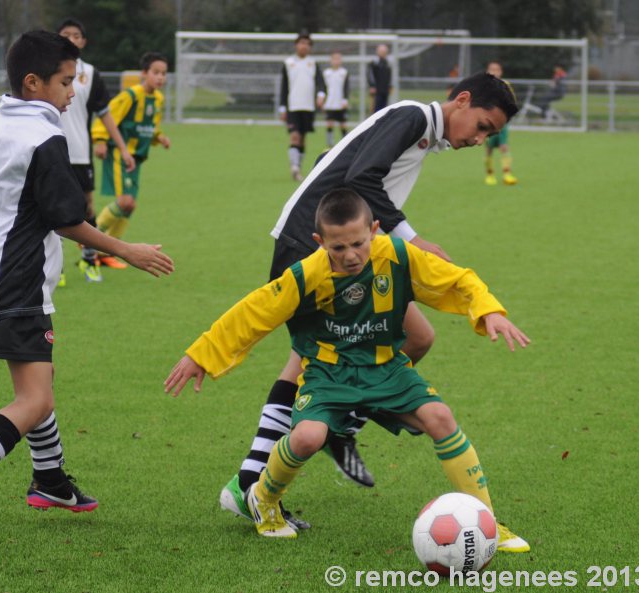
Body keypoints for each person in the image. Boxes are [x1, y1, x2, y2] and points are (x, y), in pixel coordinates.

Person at [212, 71, 519, 531]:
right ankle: (249, 483)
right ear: (462, 100)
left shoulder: (418, 131)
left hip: (347, 252)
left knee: (417, 337)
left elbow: (335, 161)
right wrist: (413, 238)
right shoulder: (414, 117)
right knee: (309, 359)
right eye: (482, 126)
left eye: (489, 135)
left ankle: (339, 424)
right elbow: (359, 176)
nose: (479, 139)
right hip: (314, 252)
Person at [0, 30, 174, 545]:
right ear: (33, 83)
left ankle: (50, 480)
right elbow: (68, 220)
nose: (72, 92)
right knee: (32, 399)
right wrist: (128, 251)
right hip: (14, 279)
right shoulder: (43, 135)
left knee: (39, 383)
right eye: (64, 81)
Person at [165, 188, 530, 551]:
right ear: (319, 241)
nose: (351, 255)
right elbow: (253, 312)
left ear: (374, 230)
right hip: (329, 374)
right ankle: (262, 498)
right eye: (337, 248)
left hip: (387, 368)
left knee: (440, 417)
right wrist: (203, 354)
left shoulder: (399, 255)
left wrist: (488, 310)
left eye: (358, 243)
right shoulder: (306, 275)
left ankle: (488, 523)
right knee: (308, 437)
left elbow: (455, 279)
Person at [57, 17, 131, 282]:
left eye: (76, 35)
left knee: (87, 207)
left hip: (80, 152)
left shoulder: (90, 74)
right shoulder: (47, 70)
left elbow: (106, 114)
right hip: (51, 152)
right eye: (65, 34)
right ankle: (57, 269)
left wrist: (122, 148)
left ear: (83, 41)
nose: (71, 39)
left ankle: (89, 261)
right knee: (51, 207)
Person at [93, 52, 171, 269]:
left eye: (164, 74)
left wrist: (159, 137)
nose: (160, 78)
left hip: (137, 157)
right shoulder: (130, 96)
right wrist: (99, 139)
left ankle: (103, 253)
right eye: (156, 73)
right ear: (144, 74)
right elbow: (107, 115)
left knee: (130, 207)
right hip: (120, 153)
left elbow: (151, 125)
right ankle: (89, 240)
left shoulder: (158, 99)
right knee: (125, 201)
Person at [279, 31, 325, 182]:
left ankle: (298, 166)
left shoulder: (313, 64)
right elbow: (284, 87)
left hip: (308, 107)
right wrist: (282, 107)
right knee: (294, 136)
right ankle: (294, 167)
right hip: (293, 106)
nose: (304, 46)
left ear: (310, 47)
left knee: (303, 138)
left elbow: (320, 83)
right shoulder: (288, 63)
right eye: (301, 43)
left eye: (307, 43)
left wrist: (320, 95)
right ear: (296, 45)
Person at [483, 60, 517, 186]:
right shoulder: (484, 86)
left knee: (504, 147)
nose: (494, 72)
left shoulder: (506, 85)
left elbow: (512, 101)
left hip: (502, 123)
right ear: (487, 72)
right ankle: (490, 174)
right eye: (492, 69)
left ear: (501, 72)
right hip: (488, 123)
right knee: (489, 149)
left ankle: (507, 174)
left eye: (497, 69)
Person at [323, 51, 350, 148]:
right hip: (330, 103)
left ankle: (345, 142)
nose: (336, 61)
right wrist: (323, 99)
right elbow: (323, 88)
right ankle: (330, 142)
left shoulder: (344, 72)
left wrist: (345, 100)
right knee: (329, 122)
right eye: (334, 58)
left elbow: (346, 87)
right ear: (331, 60)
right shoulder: (326, 73)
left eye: (338, 59)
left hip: (340, 103)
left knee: (342, 123)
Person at [368, 44, 393, 113]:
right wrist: (372, 86)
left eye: (384, 52)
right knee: (375, 109)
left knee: (384, 109)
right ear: (378, 52)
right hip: (376, 90)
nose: (383, 53)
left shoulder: (387, 63)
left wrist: (390, 86)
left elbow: (389, 76)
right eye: (381, 51)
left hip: (385, 90)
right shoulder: (374, 63)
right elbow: (371, 75)